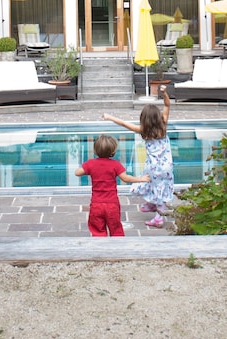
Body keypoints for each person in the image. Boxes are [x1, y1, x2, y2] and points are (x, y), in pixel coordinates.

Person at [102, 83, 173, 228]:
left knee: (152, 184)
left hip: (152, 167)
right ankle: (152, 204)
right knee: (160, 186)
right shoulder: (163, 125)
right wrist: (164, 93)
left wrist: (110, 117)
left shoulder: (142, 130)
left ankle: (159, 218)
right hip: (166, 167)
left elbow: (124, 124)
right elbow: (167, 105)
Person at [74, 134, 149, 236]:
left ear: (95, 150)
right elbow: (125, 178)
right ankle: (116, 245)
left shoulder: (91, 164)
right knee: (116, 229)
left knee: (98, 231)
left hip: (96, 204)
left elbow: (77, 173)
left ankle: (101, 245)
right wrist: (141, 179)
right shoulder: (115, 164)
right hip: (112, 204)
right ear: (113, 151)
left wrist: (88, 168)